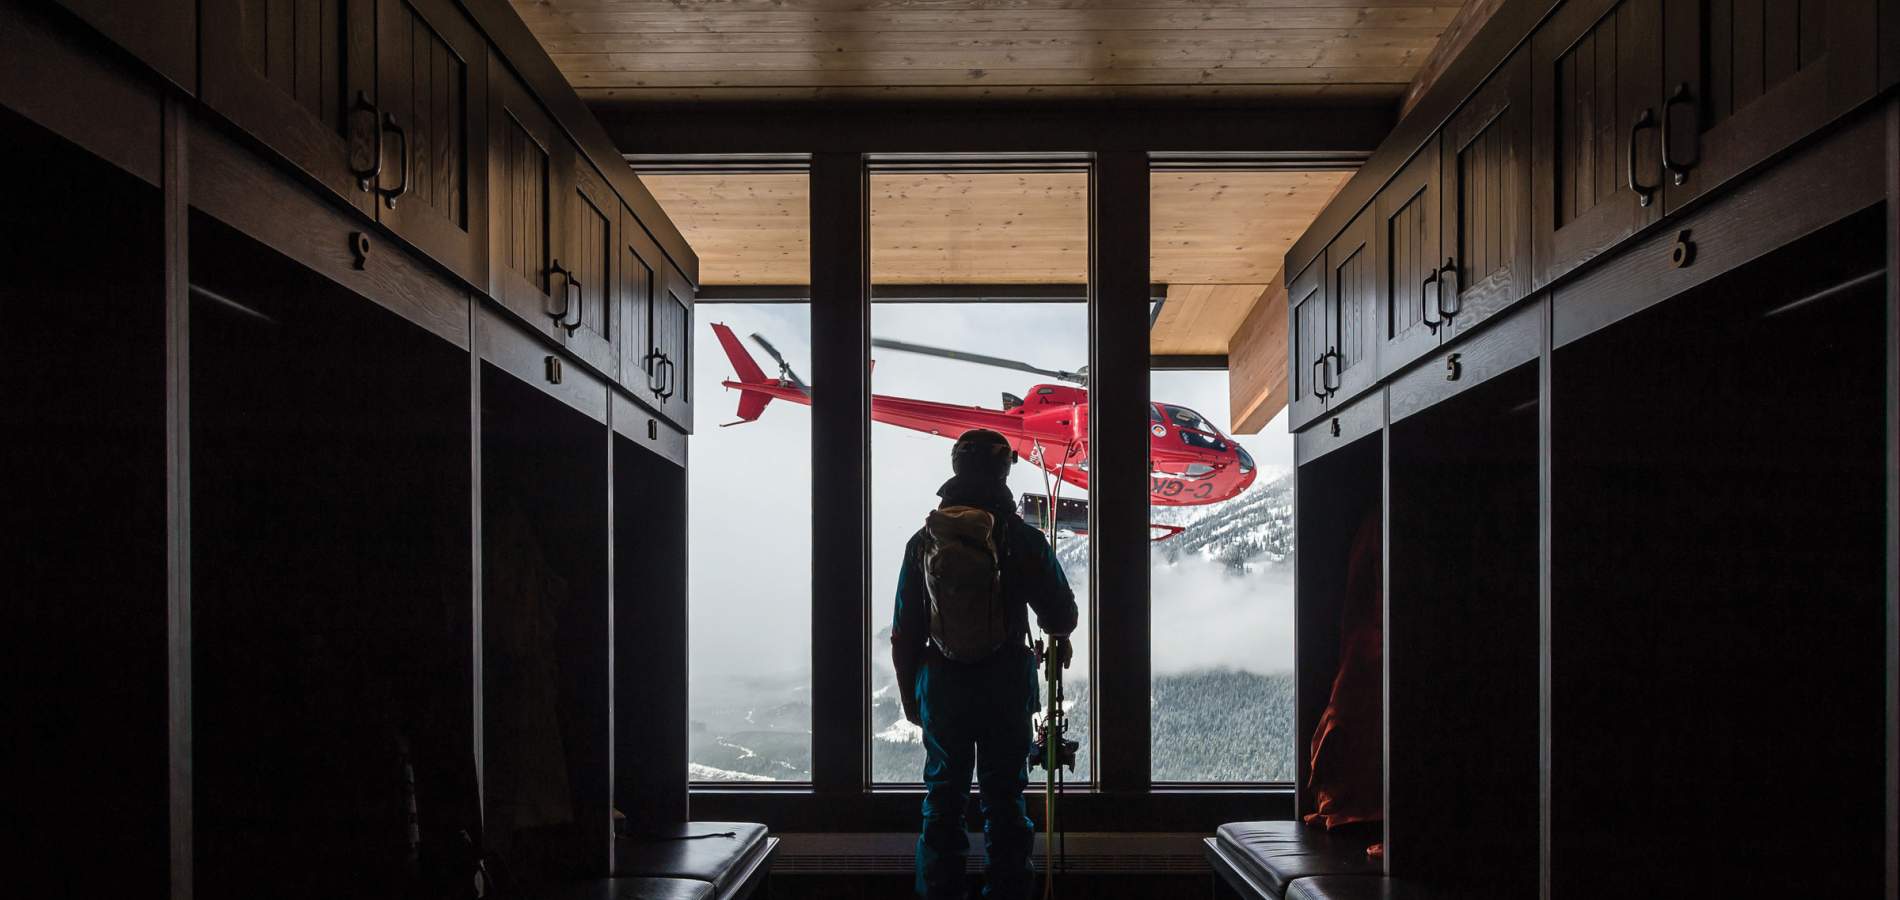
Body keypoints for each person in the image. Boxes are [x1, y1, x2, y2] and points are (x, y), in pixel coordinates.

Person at [892, 428, 1078, 900]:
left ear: (956, 468)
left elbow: (905, 632)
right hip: (1005, 685)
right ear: (1004, 471)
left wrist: (911, 697)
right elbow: (1061, 615)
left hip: (942, 687)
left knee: (943, 804)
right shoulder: (1020, 538)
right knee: (1004, 803)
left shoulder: (924, 541)